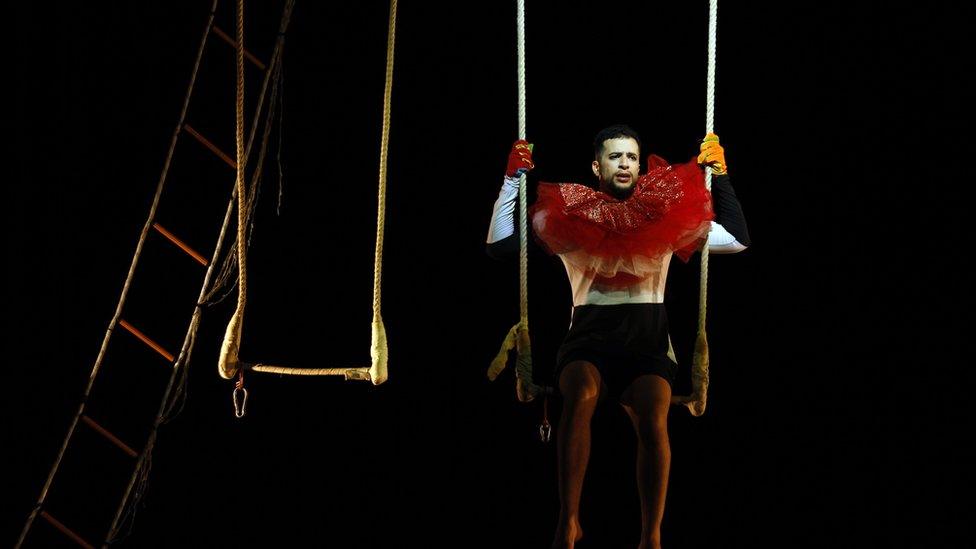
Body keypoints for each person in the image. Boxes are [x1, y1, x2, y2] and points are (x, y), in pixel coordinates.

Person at [485, 125, 750, 549]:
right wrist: (511, 179)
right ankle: (568, 521)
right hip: (588, 338)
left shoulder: (665, 219)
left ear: (640, 167)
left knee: (652, 411)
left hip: (647, 340)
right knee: (582, 392)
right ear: (597, 166)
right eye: (614, 157)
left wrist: (720, 176)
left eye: (631, 157)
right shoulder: (567, 215)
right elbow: (501, 246)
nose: (624, 163)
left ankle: (651, 535)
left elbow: (736, 241)